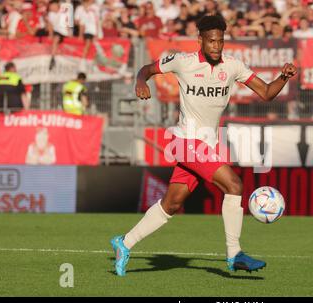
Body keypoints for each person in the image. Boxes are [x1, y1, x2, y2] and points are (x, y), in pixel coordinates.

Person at [110, 14, 298, 277]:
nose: (216, 47)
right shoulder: (182, 62)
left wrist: (283, 77)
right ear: (200, 40)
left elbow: (266, 92)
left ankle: (124, 243)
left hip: (206, 145)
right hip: (185, 141)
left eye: (220, 41)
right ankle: (234, 254)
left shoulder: (233, 66)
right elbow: (147, 70)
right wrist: (141, 82)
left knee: (171, 205)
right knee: (234, 185)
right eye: (211, 41)